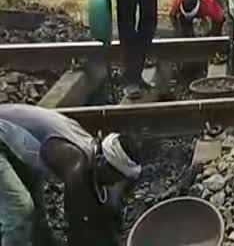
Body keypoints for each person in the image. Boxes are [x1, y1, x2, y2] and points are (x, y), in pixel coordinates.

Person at [0, 104, 142, 246]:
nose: (115, 183)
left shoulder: (91, 150)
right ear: (102, 162)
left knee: (37, 202)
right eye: (116, 177)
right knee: (21, 209)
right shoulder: (76, 168)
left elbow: (101, 209)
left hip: (10, 141)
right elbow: (77, 226)